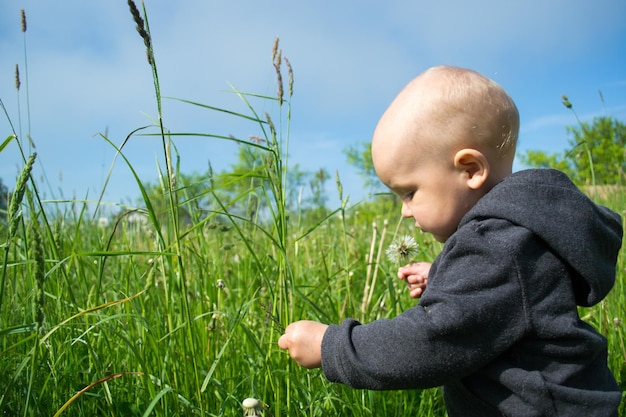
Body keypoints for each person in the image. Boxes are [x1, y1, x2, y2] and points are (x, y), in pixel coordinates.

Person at [277, 65, 623, 416]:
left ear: (470, 170)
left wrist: (331, 345)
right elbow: (501, 296)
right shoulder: (511, 240)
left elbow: (430, 341)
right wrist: (447, 276)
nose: (405, 212)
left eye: (410, 192)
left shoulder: (499, 247)